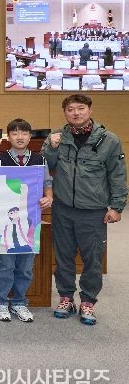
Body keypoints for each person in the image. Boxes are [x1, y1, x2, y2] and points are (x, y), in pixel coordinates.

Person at [42, 94, 126, 325]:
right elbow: (44, 167)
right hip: (63, 209)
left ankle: (88, 301)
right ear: (65, 113)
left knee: (93, 260)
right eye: (70, 109)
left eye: (81, 108)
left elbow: (117, 175)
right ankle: (66, 298)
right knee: (63, 257)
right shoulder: (57, 137)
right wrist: (51, 148)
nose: (76, 113)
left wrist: (117, 206)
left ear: (90, 110)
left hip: (93, 211)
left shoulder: (109, 140)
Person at [0, 118, 53, 323]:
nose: (20, 137)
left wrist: (49, 197)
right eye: (15, 133)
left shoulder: (39, 159)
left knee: (25, 266)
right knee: (5, 265)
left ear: (30, 136)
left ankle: (19, 302)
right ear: (9, 137)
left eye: (24, 133)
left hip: (30, 220)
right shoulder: (1, 158)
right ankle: (0, 302)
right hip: (5, 221)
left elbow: (47, 183)